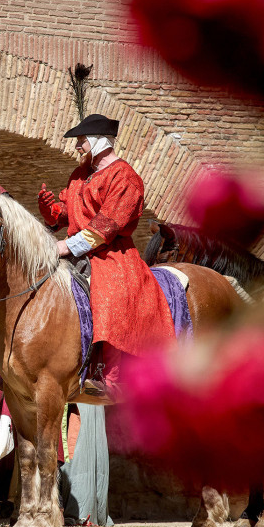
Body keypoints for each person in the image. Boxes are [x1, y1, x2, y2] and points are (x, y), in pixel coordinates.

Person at [37, 114, 176, 402]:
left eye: (81, 140)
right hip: (77, 248)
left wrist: (65, 247)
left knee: (110, 294)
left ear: (98, 140)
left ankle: (110, 377)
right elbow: (67, 214)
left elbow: (107, 226)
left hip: (112, 253)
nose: (77, 145)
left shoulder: (125, 177)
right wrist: (50, 209)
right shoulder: (80, 175)